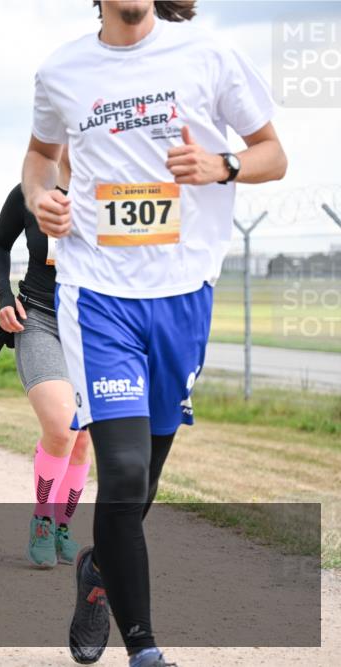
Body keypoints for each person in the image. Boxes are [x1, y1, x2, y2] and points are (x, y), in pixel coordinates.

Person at [22, 1, 287, 665]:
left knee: (142, 482)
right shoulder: (62, 71)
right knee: (123, 467)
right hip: (98, 294)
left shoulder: (212, 57)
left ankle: (98, 573)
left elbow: (273, 154)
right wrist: (41, 195)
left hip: (182, 294)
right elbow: (39, 157)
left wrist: (223, 165)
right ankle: (144, 647)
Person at [0, 150, 93, 570]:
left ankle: (65, 523)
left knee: (85, 437)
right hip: (40, 320)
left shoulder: (108, 195)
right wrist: (2, 297)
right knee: (60, 425)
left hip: (94, 328)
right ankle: (43, 519)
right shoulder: (32, 193)